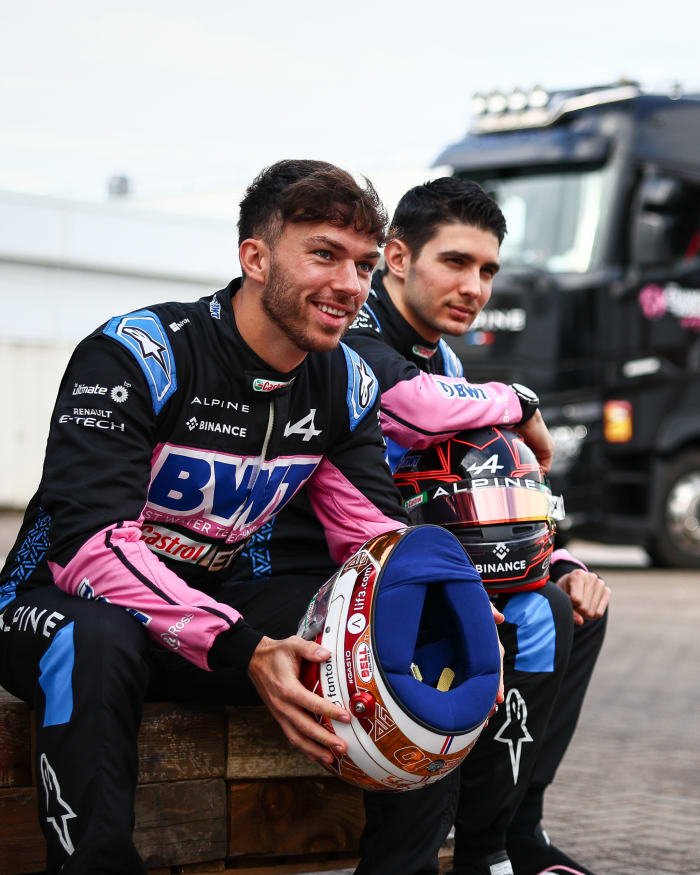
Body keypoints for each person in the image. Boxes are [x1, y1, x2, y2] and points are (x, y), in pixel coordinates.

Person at [0, 159, 420, 874]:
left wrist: (446, 607)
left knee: (403, 620)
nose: (350, 285)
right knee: (98, 637)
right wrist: (242, 647)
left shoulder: (346, 379)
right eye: (324, 253)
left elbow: (373, 546)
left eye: (363, 264)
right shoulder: (139, 352)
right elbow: (87, 549)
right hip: (54, 605)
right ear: (254, 257)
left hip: (206, 621)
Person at [232, 178, 610, 875]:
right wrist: (519, 398)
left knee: (565, 605)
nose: (475, 286)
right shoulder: (355, 327)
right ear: (399, 260)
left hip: (400, 553)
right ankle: (469, 849)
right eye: (456, 262)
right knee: (500, 622)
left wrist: (552, 561)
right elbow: (412, 407)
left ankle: (510, 837)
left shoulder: (449, 361)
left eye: (488, 269)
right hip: (305, 569)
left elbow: (452, 496)